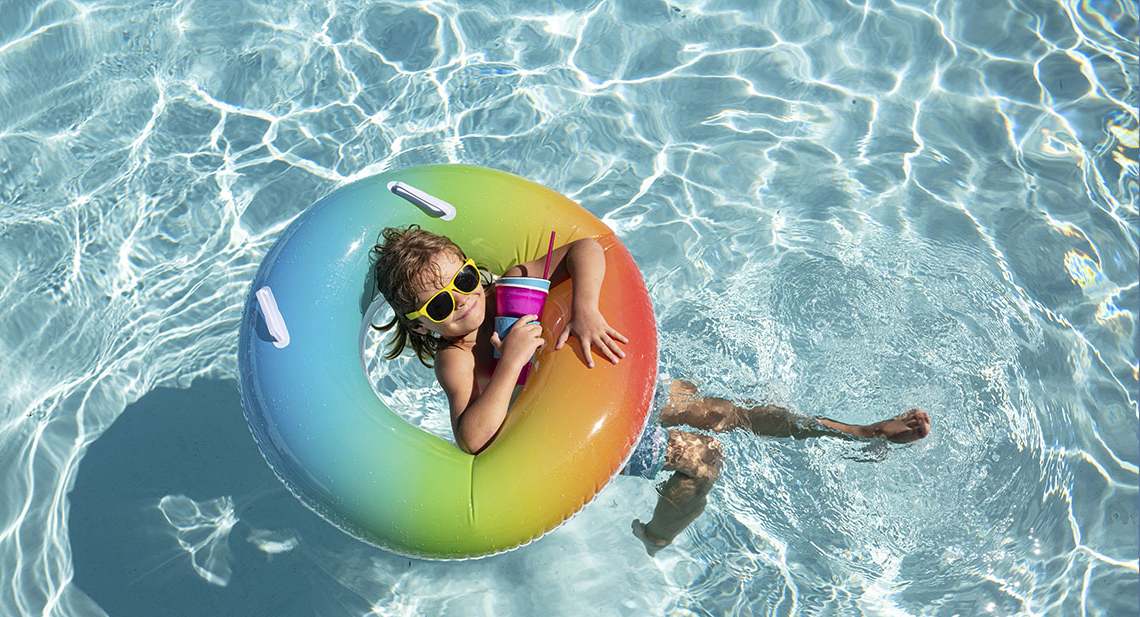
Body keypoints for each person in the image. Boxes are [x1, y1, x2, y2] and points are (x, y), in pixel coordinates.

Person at [371, 225, 931, 555]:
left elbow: (587, 246)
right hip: (585, 428)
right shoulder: (457, 358)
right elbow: (471, 438)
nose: (463, 300)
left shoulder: (518, 280)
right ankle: (657, 534)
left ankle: (855, 431)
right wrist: (514, 355)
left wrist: (585, 308)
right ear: (422, 324)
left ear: (475, 269)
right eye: (441, 304)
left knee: (726, 414)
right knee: (704, 462)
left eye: (464, 280)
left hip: (614, 380)